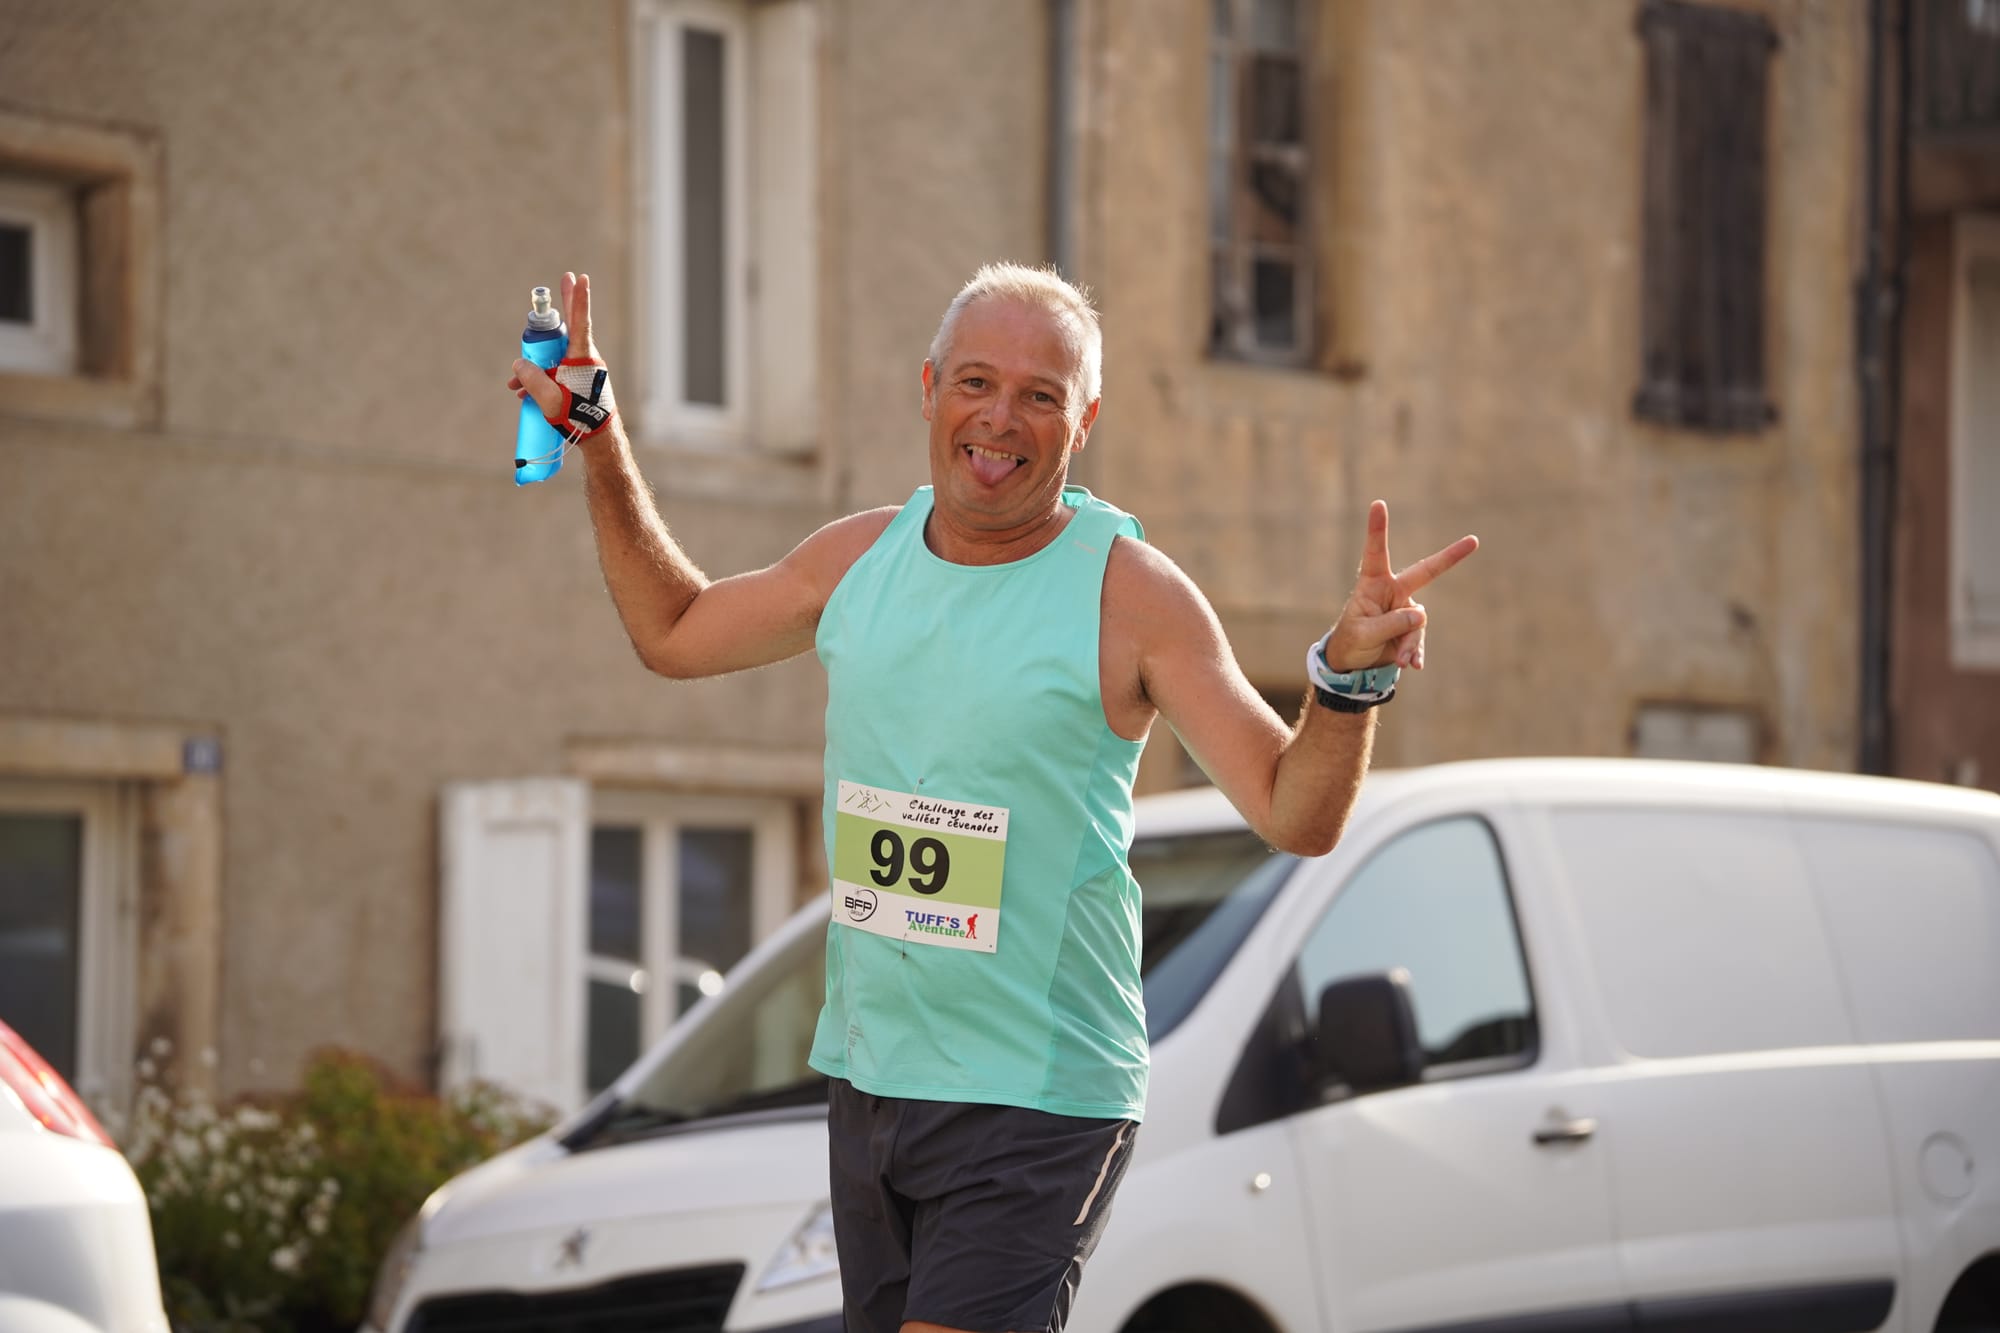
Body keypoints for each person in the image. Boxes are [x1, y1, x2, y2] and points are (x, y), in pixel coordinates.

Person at [510, 264, 1477, 1333]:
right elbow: (674, 631)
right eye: (976, 381)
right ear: (927, 388)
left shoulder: (1132, 594)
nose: (1000, 419)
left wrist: (1346, 682)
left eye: (1041, 394)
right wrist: (597, 439)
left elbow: (1295, 812)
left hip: (1038, 1090)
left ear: (1085, 419)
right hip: (871, 1075)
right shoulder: (857, 558)